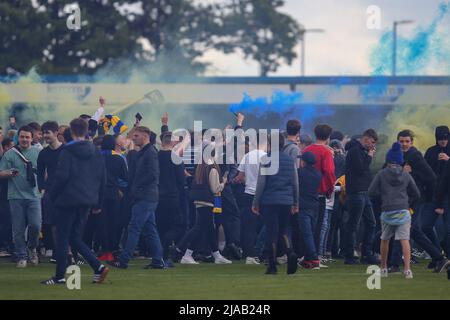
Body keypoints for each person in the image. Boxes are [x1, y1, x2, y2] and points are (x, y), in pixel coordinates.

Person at [42, 118, 108, 285]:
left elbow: (62, 176)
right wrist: (98, 202)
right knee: (75, 237)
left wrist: (52, 195)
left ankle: (59, 276)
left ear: (70, 132)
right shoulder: (96, 151)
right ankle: (98, 266)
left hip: (67, 200)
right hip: (87, 200)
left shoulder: (67, 151)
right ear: (86, 131)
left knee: (63, 237)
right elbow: (102, 179)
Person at [109, 126, 165, 269]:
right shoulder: (145, 153)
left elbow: (153, 175)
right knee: (150, 229)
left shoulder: (150, 153)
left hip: (145, 196)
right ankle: (158, 260)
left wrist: (137, 187)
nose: (133, 139)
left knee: (134, 228)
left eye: (136, 136)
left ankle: (123, 260)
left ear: (145, 136)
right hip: (147, 196)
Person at [394, 130, 449, 273]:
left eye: (407, 141)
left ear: (411, 142)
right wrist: (401, 170)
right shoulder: (396, 155)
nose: (404, 144)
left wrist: (430, 197)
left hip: (414, 200)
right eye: (401, 141)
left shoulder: (415, 156)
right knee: (413, 230)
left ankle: (394, 264)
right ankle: (439, 258)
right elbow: (385, 171)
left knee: (406, 229)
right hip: (402, 199)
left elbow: (431, 178)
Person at [173, 141, 232, 265]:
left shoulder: (201, 166)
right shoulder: (213, 168)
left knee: (209, 229)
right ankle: (183, 252)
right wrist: (223, 183)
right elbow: (215, 189)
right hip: (208, 202)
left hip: (200, 201)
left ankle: (216, 255)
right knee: (199, 229)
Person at [369, 142, 421, 280]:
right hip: (403, 211)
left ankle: (383, 268)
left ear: (388, 159)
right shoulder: (406, 175)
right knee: (404, 240)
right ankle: (407, 270)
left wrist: (382, 199)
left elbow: (371, 192)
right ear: (400, 160)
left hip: (387, 211)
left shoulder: (381, 174)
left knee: (385, 239)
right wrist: (408, 203)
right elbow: (416, 193)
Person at [252, 133, 299, 274]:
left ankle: (272, 266)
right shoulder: (290, 160)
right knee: (284, 230)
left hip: (270, 201)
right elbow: (295, 182)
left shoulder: (266, 159)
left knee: (272, 232)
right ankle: (290, 253)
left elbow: (261, 183)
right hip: (286, 201)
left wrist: (256, 201)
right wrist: (295, 202)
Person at [0, 125, 41, 268]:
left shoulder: (38, 152)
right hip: (15, 196)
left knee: (36, 225)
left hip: (34, 195)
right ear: (18, 137)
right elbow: (1, 172)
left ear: (32, 138)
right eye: (22, 137)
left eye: (27, 137)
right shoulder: (10, 154)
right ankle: (22, 255)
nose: (24, 139)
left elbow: (44, 172)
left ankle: (32, 248)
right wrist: (9, 173)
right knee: (17, 229)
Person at [343, 129, 379, 265]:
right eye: (372, 142)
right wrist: (369, 156)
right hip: (356, 193)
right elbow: (360, 169)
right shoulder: (355, 151)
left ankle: (366, 254)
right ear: (366, 138)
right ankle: (349, 255)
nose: (373, 146)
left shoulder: (360, 151)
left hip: (364, 193)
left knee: (371, 223)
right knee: (353, 225)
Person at [234, 133, 268, 265]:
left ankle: (250, 255)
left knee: (249, 226)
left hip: (248, 193)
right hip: (263, 195)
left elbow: (240, 176)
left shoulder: (247, 156)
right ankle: (263, 253)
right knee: (265, 225)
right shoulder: (266, 157)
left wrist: (238, 180)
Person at [303, 124, 336, 252]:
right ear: (328, 136)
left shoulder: (306, 150)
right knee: (318, 225)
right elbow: (329, 171)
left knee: (306, 225)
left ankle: (305, 252)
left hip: (305, 191)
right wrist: (329, 188)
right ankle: (315, 254)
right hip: (320, 192)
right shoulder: (326, 152)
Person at [156, 131, 186, 267]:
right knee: (177, 226)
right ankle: (166, 255)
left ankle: (159, 256)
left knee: (160, 226)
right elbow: (181, 180)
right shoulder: (175, 158)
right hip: (172, 196)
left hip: (157, 196)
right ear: (173, 142)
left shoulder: (155, 156)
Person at [98, 135, 128, 262]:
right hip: (114, 193)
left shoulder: (96, 157)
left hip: (99, 193)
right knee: (114, 222)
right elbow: (126, 177)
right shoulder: (118, 158)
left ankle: (104, 250)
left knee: (101, 223)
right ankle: (111, 250)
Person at [37, 121, 63, 260]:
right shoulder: (43, 153)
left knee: (65, 223)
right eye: (43, 133)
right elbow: (40, 174)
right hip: (50, 193)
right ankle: (57, 251)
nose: (45, 135)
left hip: (66, 193)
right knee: (52, 223)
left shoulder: (66, 150)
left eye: (47, 132)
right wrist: (42, 189)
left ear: (56, 132)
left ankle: (68, 252)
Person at [423, 126, 450, 258]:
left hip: (447, 195)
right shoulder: (431, 151)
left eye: (445, 138)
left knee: (448, 229)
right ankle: (437, 254)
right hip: (433, 194)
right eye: (440, 138)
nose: (443, 141)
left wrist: (448, 160)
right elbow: (424, 170)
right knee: (425, 226)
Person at [296, 151, 322, 269]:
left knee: (306, 234)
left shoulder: (300, 173)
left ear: (304, 162)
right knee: (310, 232)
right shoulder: (318, 174)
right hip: (314, 206)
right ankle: (307, 259)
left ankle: (313, 258)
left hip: (303, 206)